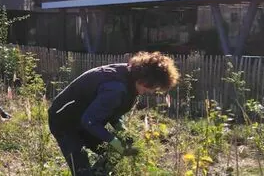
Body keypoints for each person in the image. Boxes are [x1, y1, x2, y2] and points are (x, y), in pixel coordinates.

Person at [48, 51, 180, 176]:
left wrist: (121, 129)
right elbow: (89, 121)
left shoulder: (130, 77)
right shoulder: (116, 88)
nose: (151, 92)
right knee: (82, 170)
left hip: (86, 117)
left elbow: (111, 110)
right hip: (64, 121)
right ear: (144, 80)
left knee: (116, 153)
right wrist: (113, 140)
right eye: (151, 87)